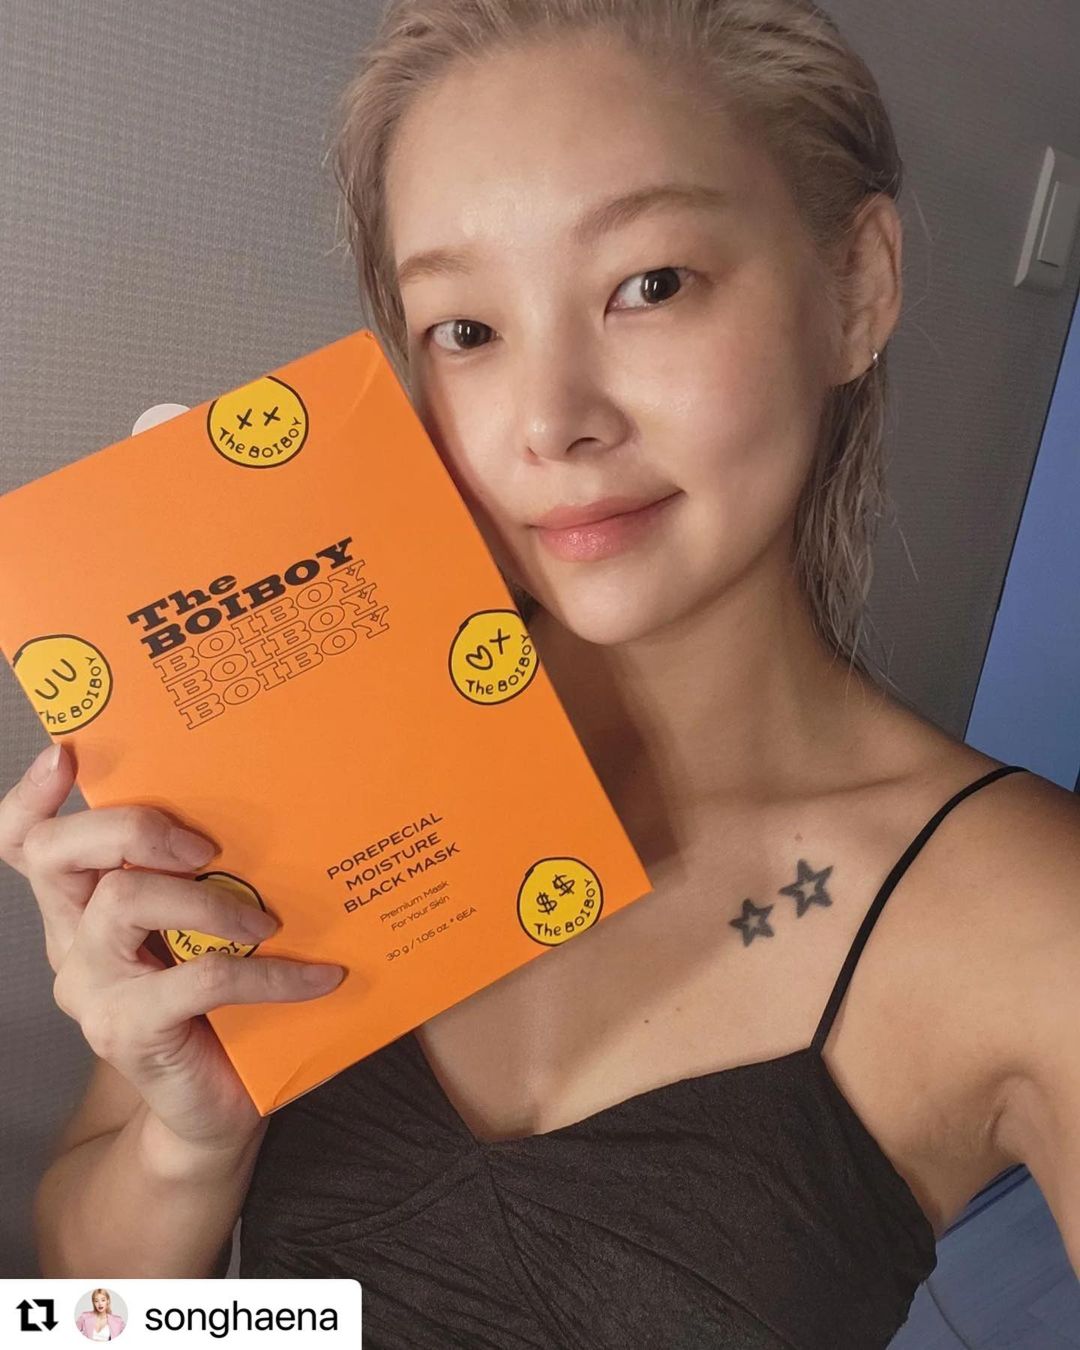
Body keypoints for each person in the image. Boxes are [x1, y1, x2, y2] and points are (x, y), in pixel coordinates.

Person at [2, 0, 1077, 1346]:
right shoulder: (309, 744)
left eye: (651, 284)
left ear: (855, 287)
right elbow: (91, 1315)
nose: (551, 419)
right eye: (466, 329)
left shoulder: (1030, 922)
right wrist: (190, 1140)